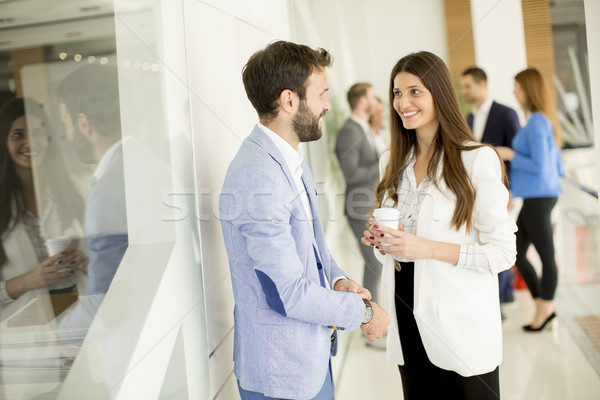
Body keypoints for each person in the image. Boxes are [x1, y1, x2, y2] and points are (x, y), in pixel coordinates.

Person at [220, 41, 390, 400]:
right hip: (280, 373)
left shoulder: (291, 158)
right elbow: (288, 295)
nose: (328, 105)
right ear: (289, 101)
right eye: (322, 94)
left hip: (308, 360)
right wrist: (363, 312)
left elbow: (313, 248)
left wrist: (339, 279)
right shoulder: (259, 176)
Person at [361, 51, 517, 399]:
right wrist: (382, 243)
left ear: (439, 93)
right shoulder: (392, 162)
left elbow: (503, 253)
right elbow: (395, 257)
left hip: (460, 328)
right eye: (397, 93)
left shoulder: (475, 159)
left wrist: (425, 248)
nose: (403, 102)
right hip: (407, 319)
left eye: (415, 91)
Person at [0, 97, 87, 321]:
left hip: (80, 327)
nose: (31, 142)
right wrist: (30, 280)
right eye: (18, 134)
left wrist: (87, 262)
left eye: (38, 132)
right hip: (26, 343)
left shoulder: (73, 192)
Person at [495, 68, 565, 332]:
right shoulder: (541, 120)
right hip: (539, 195)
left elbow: (541, 165)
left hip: (539, 196)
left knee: (546, 255)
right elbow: (555, 166)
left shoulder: (537, 122)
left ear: (528, 90)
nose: (514, 91)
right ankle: (542, 305)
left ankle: (545, 308)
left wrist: (509, 153)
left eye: (517, 87)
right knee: (516, 252)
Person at [460, 66, 521, 305]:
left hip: (503, 188)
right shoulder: (470, 117)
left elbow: (517, 153)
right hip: (477, 189)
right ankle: (499, 294)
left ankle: (503, 294)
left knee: (499, 239)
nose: (464, 91)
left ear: (482, 85)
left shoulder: (506, 113)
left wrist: (509, 189)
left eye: (468, 86)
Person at [335, 83, 382, 304]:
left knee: (376, 262)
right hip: (359, 207)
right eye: (372, 97)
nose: (375, 102)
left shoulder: (362, 127)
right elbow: (351, 173)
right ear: (363, 100)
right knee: (374, 262)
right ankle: (369, 316)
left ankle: (371, 315)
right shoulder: (349, 131)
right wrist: (383, 163)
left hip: (369, 205)